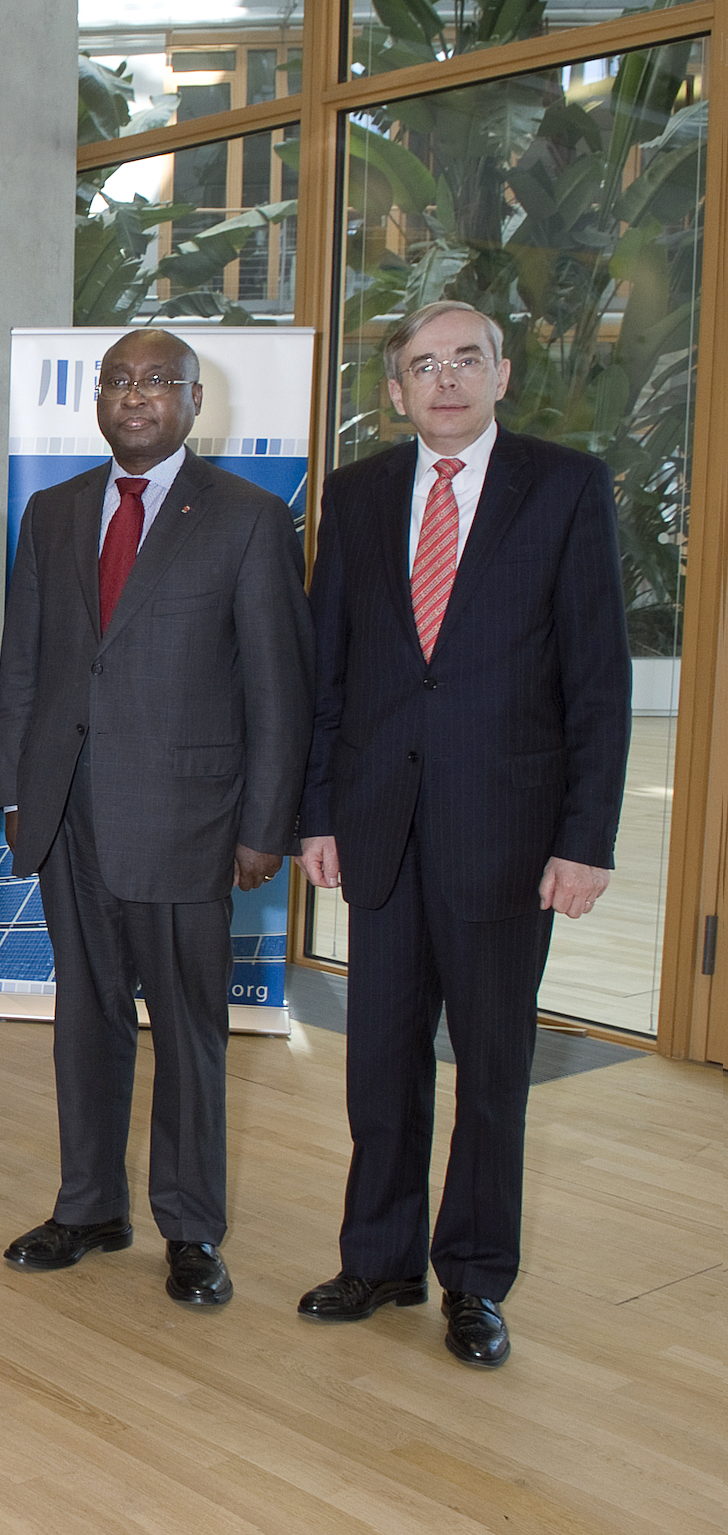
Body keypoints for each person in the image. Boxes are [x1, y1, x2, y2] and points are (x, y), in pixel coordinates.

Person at [297, 299, 630, 1366]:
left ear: (501, 373)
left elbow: (599, 679)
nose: (445, 379)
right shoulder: (355, 496)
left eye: (466, 360)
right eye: (423, 364)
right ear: (395, 389)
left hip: (508, 837)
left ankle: (475, 1280)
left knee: (491, 1068)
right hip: (381, 831)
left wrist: (586, 837)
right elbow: (328, 675)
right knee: (382, 1062)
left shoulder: (566, 488)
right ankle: (379, 1257)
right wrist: (315, 815)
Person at [0, 328, 313, 1307]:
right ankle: (89, 1203)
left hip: (190, 817)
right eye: (118, 381)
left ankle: (190, 1226)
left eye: (155, 382)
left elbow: (278, 684)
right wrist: (14, 791)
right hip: (69, 813)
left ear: (193, 399)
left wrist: (264, 824)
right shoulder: (51, 513)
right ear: (97, 397)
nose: (135, 397)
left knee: (188, 1030)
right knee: (84, 1025)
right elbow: (28, 666)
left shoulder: (250, 519)